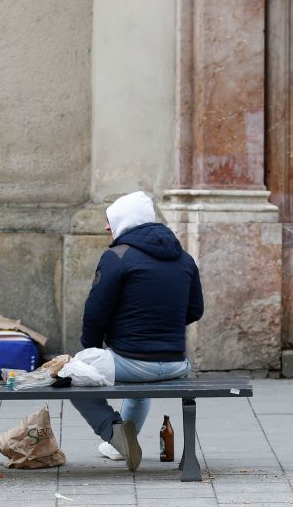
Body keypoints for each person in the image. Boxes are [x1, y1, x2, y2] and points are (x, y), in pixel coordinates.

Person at [71, 191, 203, 471]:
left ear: (124, 221)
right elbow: (195, 311)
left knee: (72, 377)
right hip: (176, 365)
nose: (107, 227)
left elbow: (96, 312)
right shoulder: (185, 259)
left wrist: (90, 352)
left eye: (111, 220)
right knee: (139, 390)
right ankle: (118, 447)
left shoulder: (117, 257)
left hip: (131, 362)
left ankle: (114, 432)